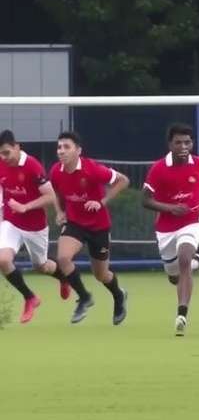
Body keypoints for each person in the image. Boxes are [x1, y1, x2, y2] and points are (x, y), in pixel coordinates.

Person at [49, 131, 130, 325]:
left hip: (98, 226)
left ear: (78, 151)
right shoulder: (55, 171)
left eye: (66, 147)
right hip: (75, 223)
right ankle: (84, 297)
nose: (61, 151)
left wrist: (102, 201)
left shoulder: (92, 169)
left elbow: (124, 180)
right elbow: (56, 193)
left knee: (101, 274)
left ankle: (119, 295)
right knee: (63, 258)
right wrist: (60, 212)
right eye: (59, 147)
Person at [142, 123, 199, 337]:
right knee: (174, 276)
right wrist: (170, 208)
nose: (184, 146)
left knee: (183, 258)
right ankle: (196, 262)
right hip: (165, 229)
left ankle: (182, 314)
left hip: (191, 221)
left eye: (187, 142)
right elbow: (145, 200)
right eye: (178, 142)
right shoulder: (158, 168)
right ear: (170, 145)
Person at [0, 130, 70, 323]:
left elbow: (50, 196)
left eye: (6, 152)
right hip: (11, 222)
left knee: (41, 266)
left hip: (35, 227)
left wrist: (25, 207)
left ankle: (63, 277)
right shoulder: (1, 165)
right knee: (3, 260)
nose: (3, 158)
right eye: (0, 154)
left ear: (17, 147)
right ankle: (30, 297)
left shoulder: (32, 166)